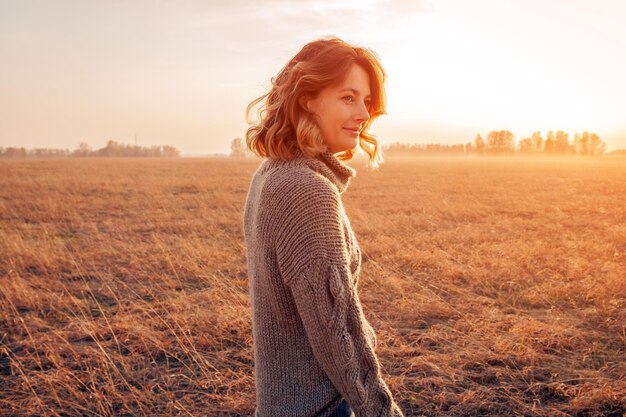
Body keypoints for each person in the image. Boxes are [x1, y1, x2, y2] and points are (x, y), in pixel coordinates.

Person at [243, 37, 404, 417]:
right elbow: (337, 332)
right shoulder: (306, 191)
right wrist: (381, 411)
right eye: (348, 98)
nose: (363, 113)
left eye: (366, 101)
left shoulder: (270, 174)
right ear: (307, 99)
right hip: (321, 407)